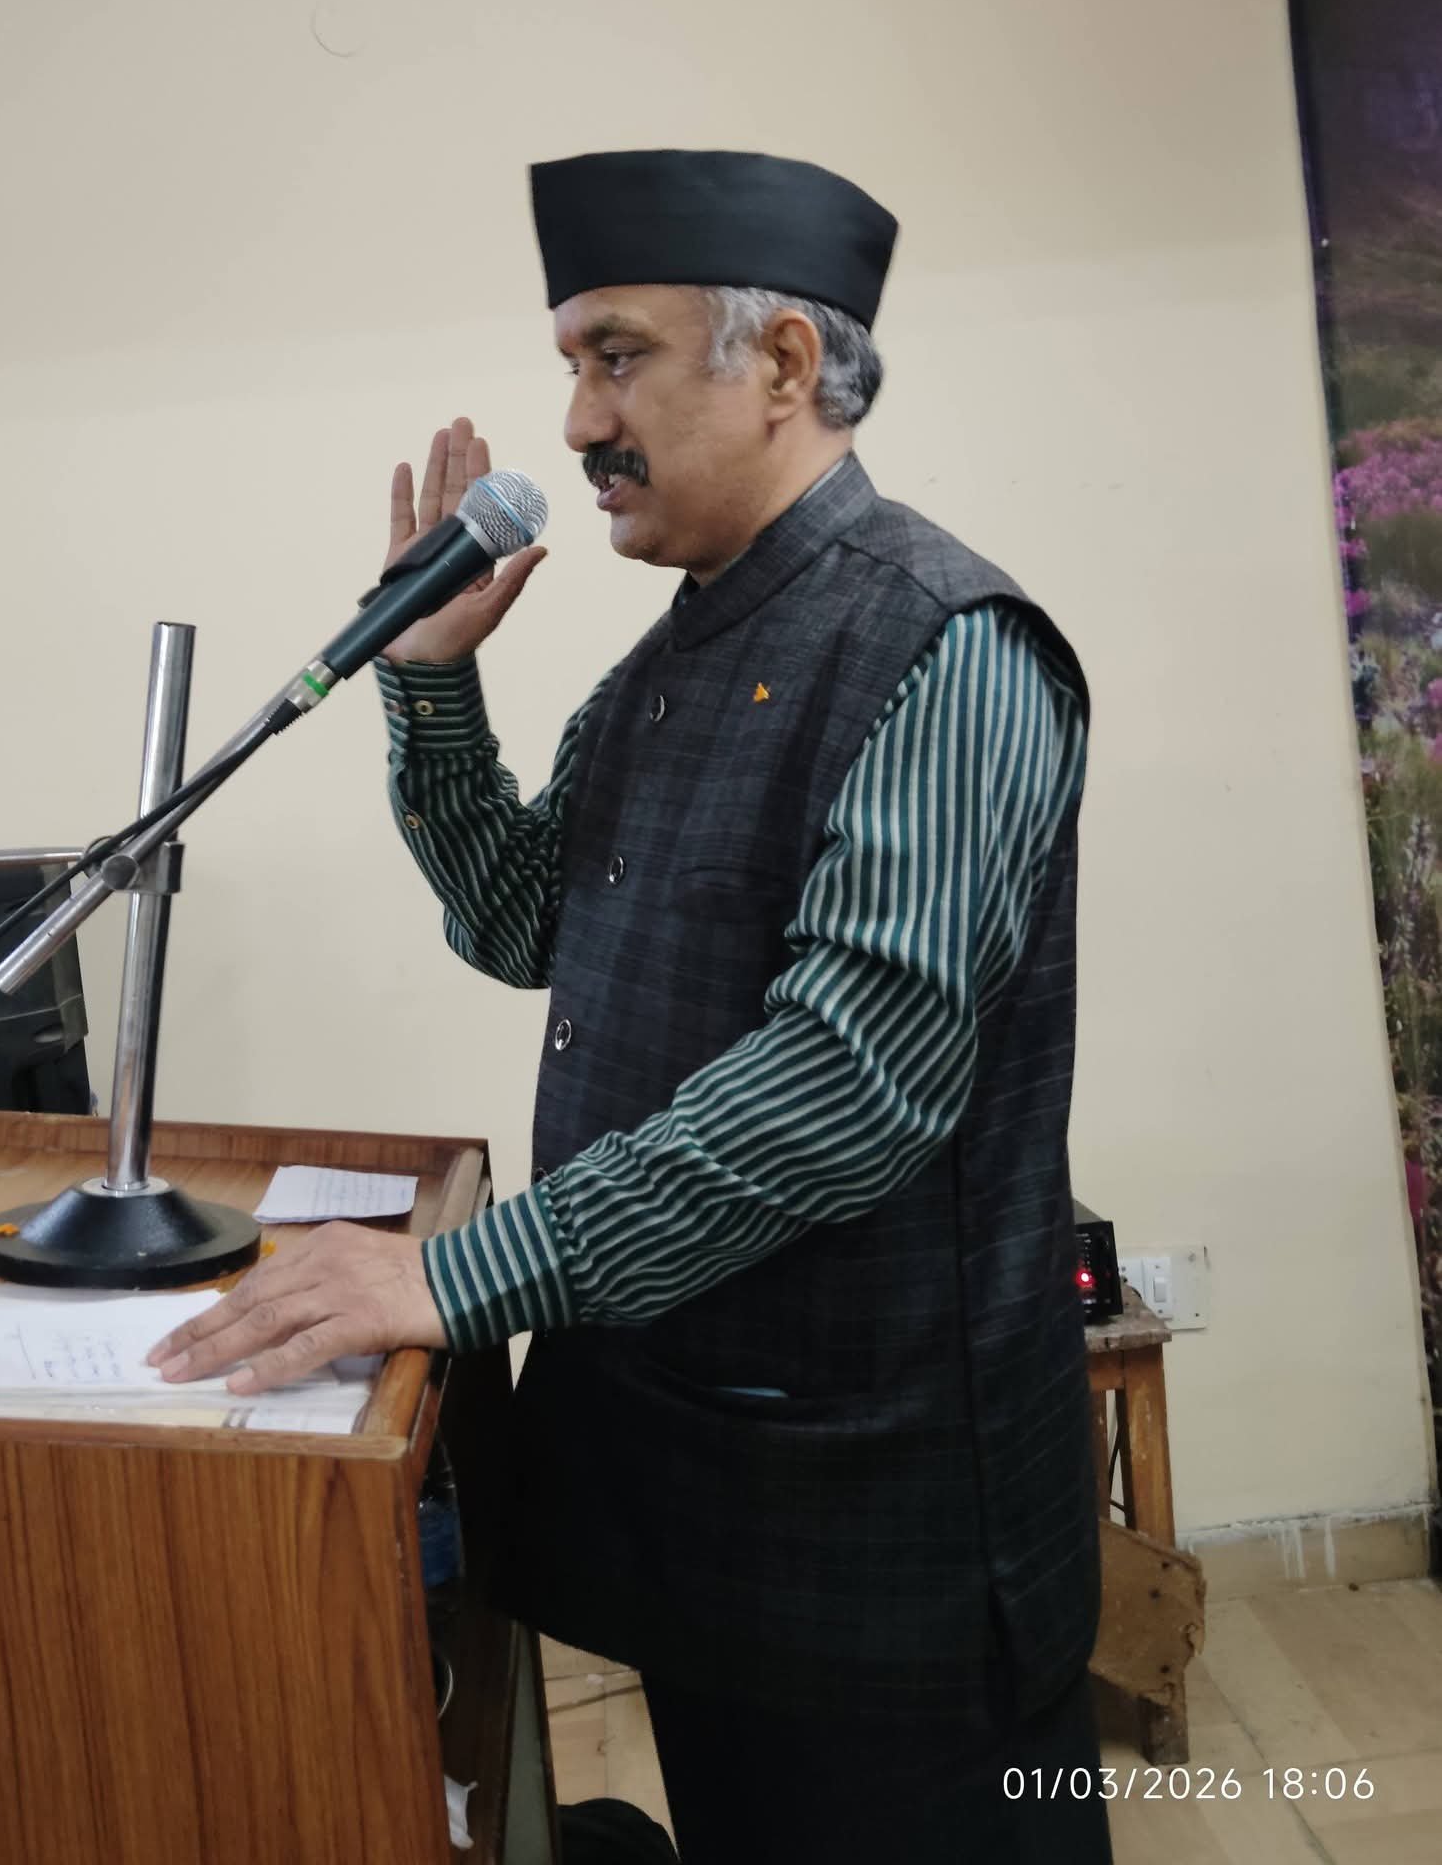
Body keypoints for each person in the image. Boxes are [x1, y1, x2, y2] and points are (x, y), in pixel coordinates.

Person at [151, 149, 1113, 1863]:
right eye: (570, 366)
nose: (580, 422)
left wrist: (458, 1274)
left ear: (783, 364)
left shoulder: (942, 640)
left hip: (879, 1517)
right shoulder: (673, 656)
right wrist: (431, 682)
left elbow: (849, 1082)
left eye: (618, 358)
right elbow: (526, 922)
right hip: (704, 1476)